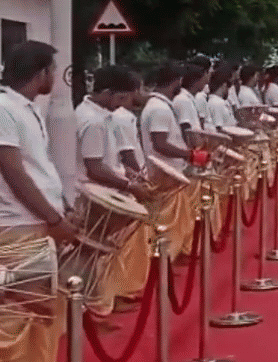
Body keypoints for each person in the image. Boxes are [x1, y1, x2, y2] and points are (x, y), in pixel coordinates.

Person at [0, 41, 75, 362]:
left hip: (36, 221)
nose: (55, 79)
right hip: (16, 224)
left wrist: (58, 209)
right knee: (21, 310)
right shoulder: (3, 109)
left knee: (45, 308)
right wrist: (52, 217)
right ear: (41, 71)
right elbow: (12, 171)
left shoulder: (26, 109)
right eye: (52, 71)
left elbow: (37, 168)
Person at [74, 65, 152, 319]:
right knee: (95, 256)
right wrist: (129, 186)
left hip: (105, 190)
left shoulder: (100, 115)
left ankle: (104, 303)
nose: (125, 103)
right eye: (121, 97)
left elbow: (107, 160)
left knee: (104, 255)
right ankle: (94, 311)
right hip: (96, 195)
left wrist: (126, 174)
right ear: (107, 93)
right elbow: (94, 167)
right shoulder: (93, 120)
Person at [142, 62, 198, 259]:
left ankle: (173, 255)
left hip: (170, 170)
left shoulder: (159, 106)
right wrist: (189, 155)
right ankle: (166, 259)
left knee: (179, 218)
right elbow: (160, 143)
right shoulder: (159, 109)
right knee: (168, 220)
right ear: (177, 82)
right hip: (165, 171)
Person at [173, 62, 205, 136]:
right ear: (197, 80)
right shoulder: (183, 99)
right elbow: (186, 130)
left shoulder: (189, 98)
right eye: (203, 78)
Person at [206, 65, 239, 131]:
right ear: (224, 84)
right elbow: (219, 129)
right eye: (229, 85)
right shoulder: (217, 103)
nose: (229, 89)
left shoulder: (218, 101)